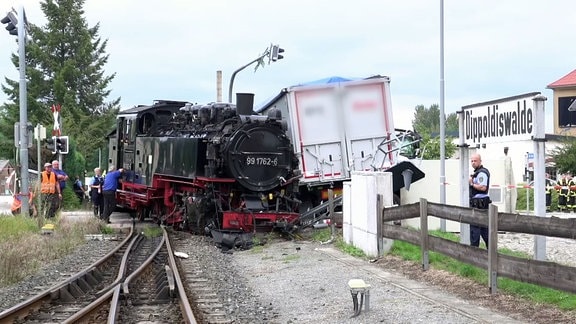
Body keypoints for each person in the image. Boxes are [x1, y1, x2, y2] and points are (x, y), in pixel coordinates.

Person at [469, 153, 491, 249]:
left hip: (479, 204)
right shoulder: (477, 173)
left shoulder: (482, 173)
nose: (473, 163)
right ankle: (490, 250)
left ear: (480, 161)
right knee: (483, 229)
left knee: (476, 228)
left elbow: (483, 187)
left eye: (475, 161)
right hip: (479, 203)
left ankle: (474, 252)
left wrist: (472, 184)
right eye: (472, 161)